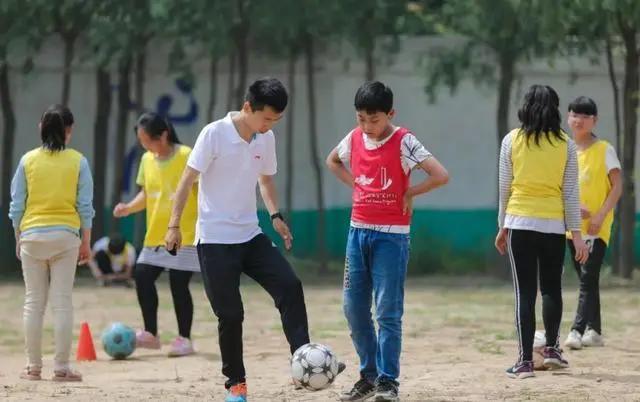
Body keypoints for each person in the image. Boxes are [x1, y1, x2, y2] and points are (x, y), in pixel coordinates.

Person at [165, 77, 344, 402]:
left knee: (290, 287)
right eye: (266, 118)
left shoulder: (265, 138)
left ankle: (303, 362)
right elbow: (187, 179)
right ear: (248, 107)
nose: (270, 125)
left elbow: (265, 181)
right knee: (230, 314)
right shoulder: (214, 134)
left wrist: (276, 216)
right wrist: (173, 225)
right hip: (215, 241)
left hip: (250, 235)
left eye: (275, 120)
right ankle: (236, 383)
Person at [326, 80, 450, 402]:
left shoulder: (404, 141)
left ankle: (388, 381)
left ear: (390, 113)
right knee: (353, 307)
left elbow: (440, 174)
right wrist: (356, 184)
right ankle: (368, 376)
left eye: (375, 120)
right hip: (357, 234)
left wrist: (410, 192)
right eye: (361, 119)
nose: (368, 127)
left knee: (387, 311)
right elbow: (333, 161)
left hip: (391, 239)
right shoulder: (354, 139)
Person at [495, 84, 589, 379]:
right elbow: (570, 194)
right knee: (552, 289)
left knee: (524, 293)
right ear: (556, 109)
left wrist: (502, 227)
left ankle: (524, 362)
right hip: (553, 226)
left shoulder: (512, 140)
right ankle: (552, 350)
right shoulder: (566, 144)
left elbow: (504, 189)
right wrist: (576, 234)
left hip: (520, 224)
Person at [9, 104, 94, 382]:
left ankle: (33, 367)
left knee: (33, 303)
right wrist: (86, 242)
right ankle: (62, 368)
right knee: (62, 303)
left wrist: (18, 238)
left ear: (41, 129)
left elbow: (16, 206)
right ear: (68, 131)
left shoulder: (27, 161)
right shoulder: (78, 161)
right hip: (66, 238)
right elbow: (85, 206)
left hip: (32, 235)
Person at [113, 112, 200, 358]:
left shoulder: (186, 156)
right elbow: (147, 193)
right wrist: (129, 207)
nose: (144, 145)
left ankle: (184, 339)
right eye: (141, 141)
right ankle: (151, 334)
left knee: (178, 284)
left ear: (163, 136)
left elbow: (201, 189)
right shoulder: (146, 160)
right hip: (155, 234)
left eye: (146, 140)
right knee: (142, 275)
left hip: (184, 233)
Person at [563, 96, 622, 350]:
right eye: (574, 114)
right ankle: (594, 330)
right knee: (588, 278)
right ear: (568, 117)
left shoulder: (604, 149)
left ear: (594, 120)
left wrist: (599, 215)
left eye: (585, 116)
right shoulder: (564, 150)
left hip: (597, 228)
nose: (578, 120)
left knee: (588, 278)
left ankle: (576, 329)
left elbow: (618, 186)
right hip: (571, 228)